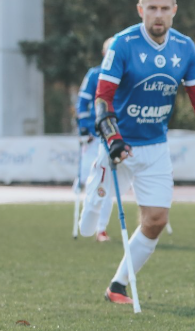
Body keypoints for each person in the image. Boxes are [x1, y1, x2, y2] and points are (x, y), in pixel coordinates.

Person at [87, 0, 195, 304]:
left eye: (164, 8)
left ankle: (118, 285)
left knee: (155, 219)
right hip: (119, 145)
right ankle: (89, 216)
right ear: (140, 9)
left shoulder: (185, 47)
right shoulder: (123, 43)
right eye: (152, 7)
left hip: (155, 147)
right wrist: (113, 137)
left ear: (174, 10)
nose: (158, 15)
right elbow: (102, 98)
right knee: (88, 222)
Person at [76, 37, 116, 242]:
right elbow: (82, 103)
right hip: (94, 136)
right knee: (90, 181)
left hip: (113, 137)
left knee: (108, 185)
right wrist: (83, 128)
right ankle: (88, 218)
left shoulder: (125, 75)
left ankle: (101, 228)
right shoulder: (94, 75)